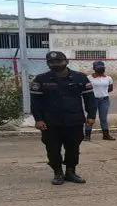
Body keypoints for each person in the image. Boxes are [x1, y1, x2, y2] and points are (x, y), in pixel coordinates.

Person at [31, 51, 97, 185]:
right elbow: (35, 102)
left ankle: (71, 172)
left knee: (73, 148)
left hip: (74, 120)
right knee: (53, 149)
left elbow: (89, 98)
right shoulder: (41, 79)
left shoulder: (80, 78)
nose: (55, 64)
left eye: (59, 61)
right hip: (50, 122)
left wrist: (91, 115)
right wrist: (38, 119)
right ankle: (58, 173)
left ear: (66, 62)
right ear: (48, 64)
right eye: (52, 62)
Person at [85, 61, 116, 141]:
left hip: (104, 100)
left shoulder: (108, 78)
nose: (101, 70)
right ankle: (87, 135)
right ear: (94, 69)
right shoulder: (89, 78)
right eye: (99, 68)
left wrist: (102, 93)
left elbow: (110, 89)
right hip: (92, 100)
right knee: (91, 117)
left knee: (103, 118)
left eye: (102, 68)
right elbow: (86, 90)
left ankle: (106, 135)